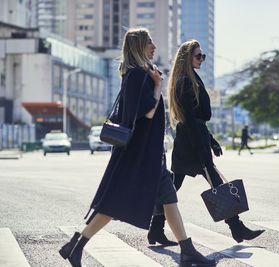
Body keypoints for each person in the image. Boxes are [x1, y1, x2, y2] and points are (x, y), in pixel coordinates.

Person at [59, 28, 215, 267]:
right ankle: (76, 245)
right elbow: (149, 112)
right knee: (113, 203)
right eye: (149, 42)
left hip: (149, 152)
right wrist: (157, 86)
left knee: (168, 198)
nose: (154, 46)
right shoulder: (137, 76)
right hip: (139, 153)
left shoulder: (139, 73)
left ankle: (187, 250)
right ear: (139, 46)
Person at [146, 39, 264, 247]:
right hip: (191, 142)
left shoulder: (191, 78)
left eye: (203, 56)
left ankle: (156, 229)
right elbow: (190, 119)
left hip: (192, 138)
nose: (202, 59)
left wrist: (212, 140)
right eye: (198, 56)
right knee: (212, 183)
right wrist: (203, 147)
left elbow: (196, 119)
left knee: (174, 186)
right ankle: (236, 227)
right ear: (187, 58)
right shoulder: (184, 80)